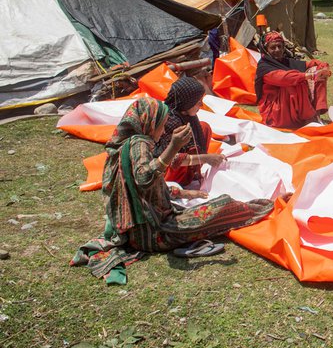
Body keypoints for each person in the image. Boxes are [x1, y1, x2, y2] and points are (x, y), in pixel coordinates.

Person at [71, 98, 274, 283]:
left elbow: (146, 185)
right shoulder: (139, 144)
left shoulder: (126, 144)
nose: (164, 128)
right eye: (162, 123)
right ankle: (265, 206)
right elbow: (144, 178)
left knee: (203, 204)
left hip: (137, 229)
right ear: (149, 122)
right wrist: (175, 145)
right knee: (222, 206)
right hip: (153, 234)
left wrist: (185, 192)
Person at [153, 76, 225, 188]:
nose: (201, 105)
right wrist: (207, 158)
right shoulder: (170, 122)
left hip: (185, 166)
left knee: (204, 127)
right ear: (187, 102)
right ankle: (182, 181)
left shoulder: (188, 116)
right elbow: (170, 158)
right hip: (166, 172)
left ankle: (192, 174)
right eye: (198, 102)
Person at [255, 31, 331, 129]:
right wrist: (308, 75)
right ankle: (308, 116)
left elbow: (309, 64)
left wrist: (322, 66)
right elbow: (284, 78)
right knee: (297, 81)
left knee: (318, 73)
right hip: (275, 112)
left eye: (279, 46)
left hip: (288, 107)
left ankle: (315, 115)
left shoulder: (285, 61)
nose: (277, 50)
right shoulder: (264, 67)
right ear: (266, 50)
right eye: (273, 48)